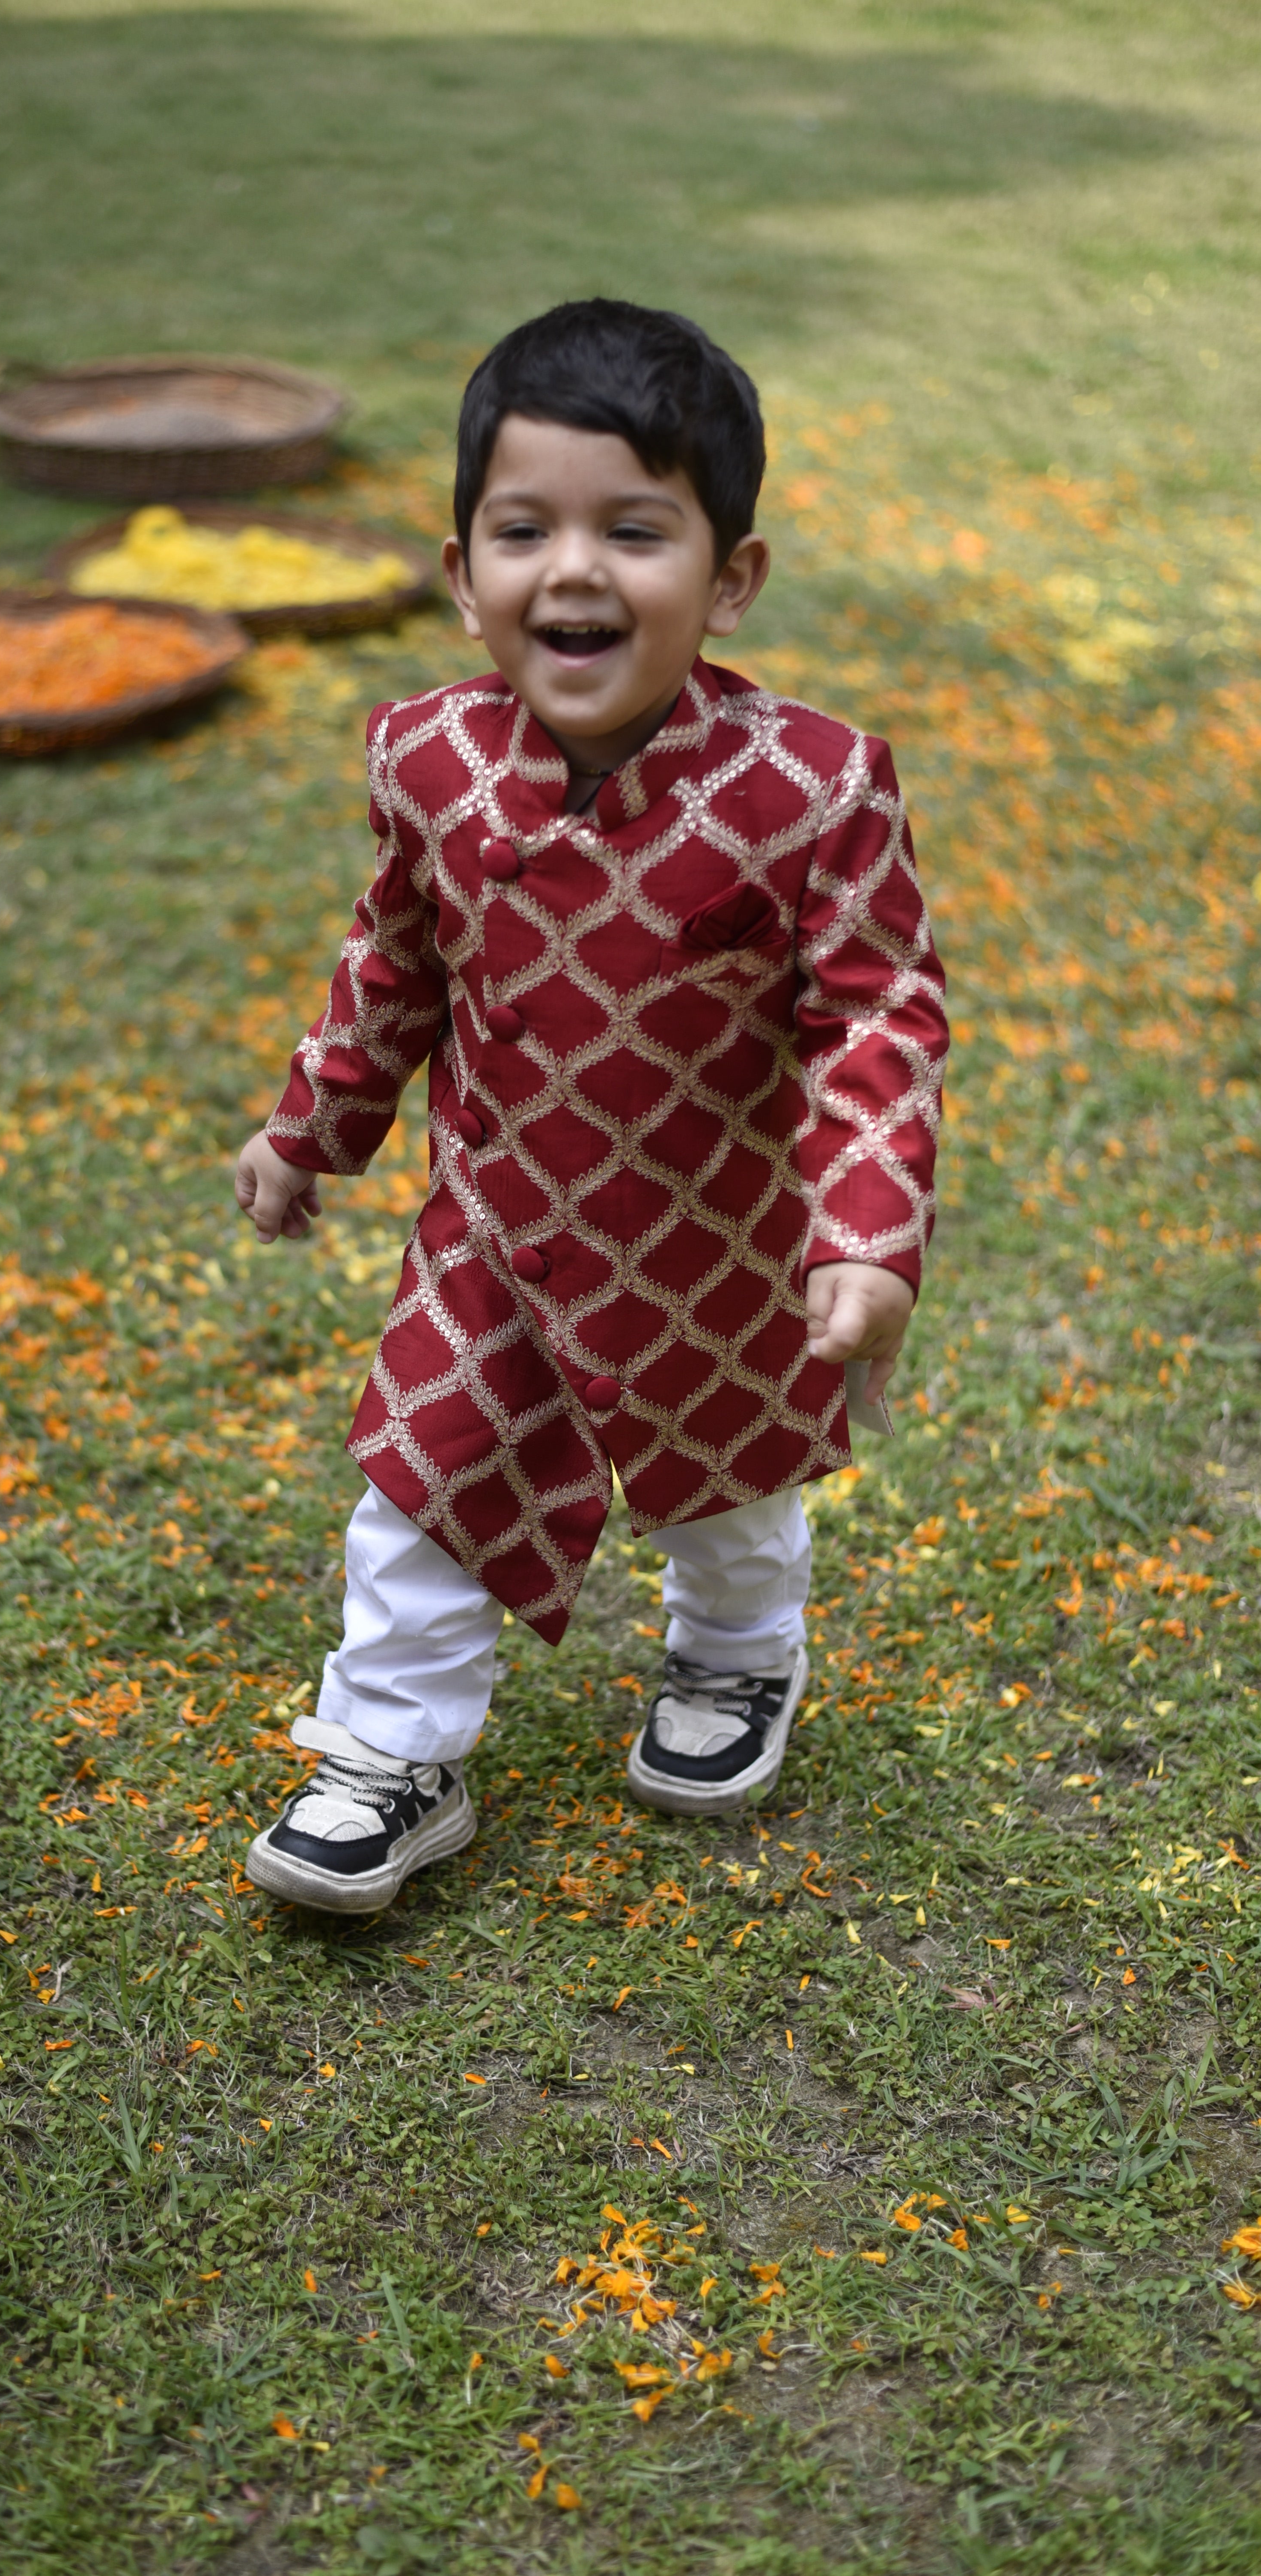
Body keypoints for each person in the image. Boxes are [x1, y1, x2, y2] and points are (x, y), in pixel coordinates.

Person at [232, 298, 947, 1914]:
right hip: (495, 1222)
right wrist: (311, 1128)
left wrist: (868, 1227)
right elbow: (393, 966)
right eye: (523, 529)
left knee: (732, 1482)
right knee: (420, 1476)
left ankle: (737, 1660)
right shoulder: (427, 759)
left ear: (730, 575)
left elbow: (876, 1014)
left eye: (636, 531)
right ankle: (392, 1754)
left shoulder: (812, 788)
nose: (573, 572)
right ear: (458, 567)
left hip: (717, 1229)